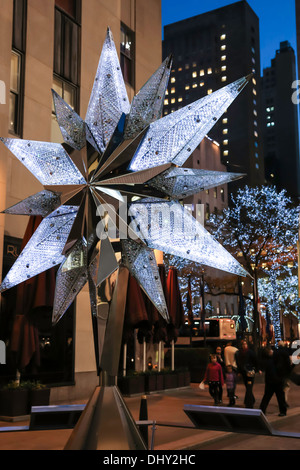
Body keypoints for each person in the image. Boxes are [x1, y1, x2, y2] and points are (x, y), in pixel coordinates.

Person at [259, 347, 287, 417]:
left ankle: (262, 410)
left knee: (267, 397)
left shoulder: (267, 361)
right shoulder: (276, 360)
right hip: (277, 381)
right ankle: (283, 411)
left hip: (270, 382)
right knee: (280, 397)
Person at [235, 339, 259, 408]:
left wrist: (256, 369)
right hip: (244, 372)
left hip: (250, 371)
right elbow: (238, 363)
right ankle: (251, 400)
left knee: (249, 387)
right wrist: (239, 371)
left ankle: (249, 402)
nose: (244, 345)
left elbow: (255, 361)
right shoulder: (239, 353)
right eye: (243, 344)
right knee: (248, 387)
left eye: (245, 344)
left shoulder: (250, 352)